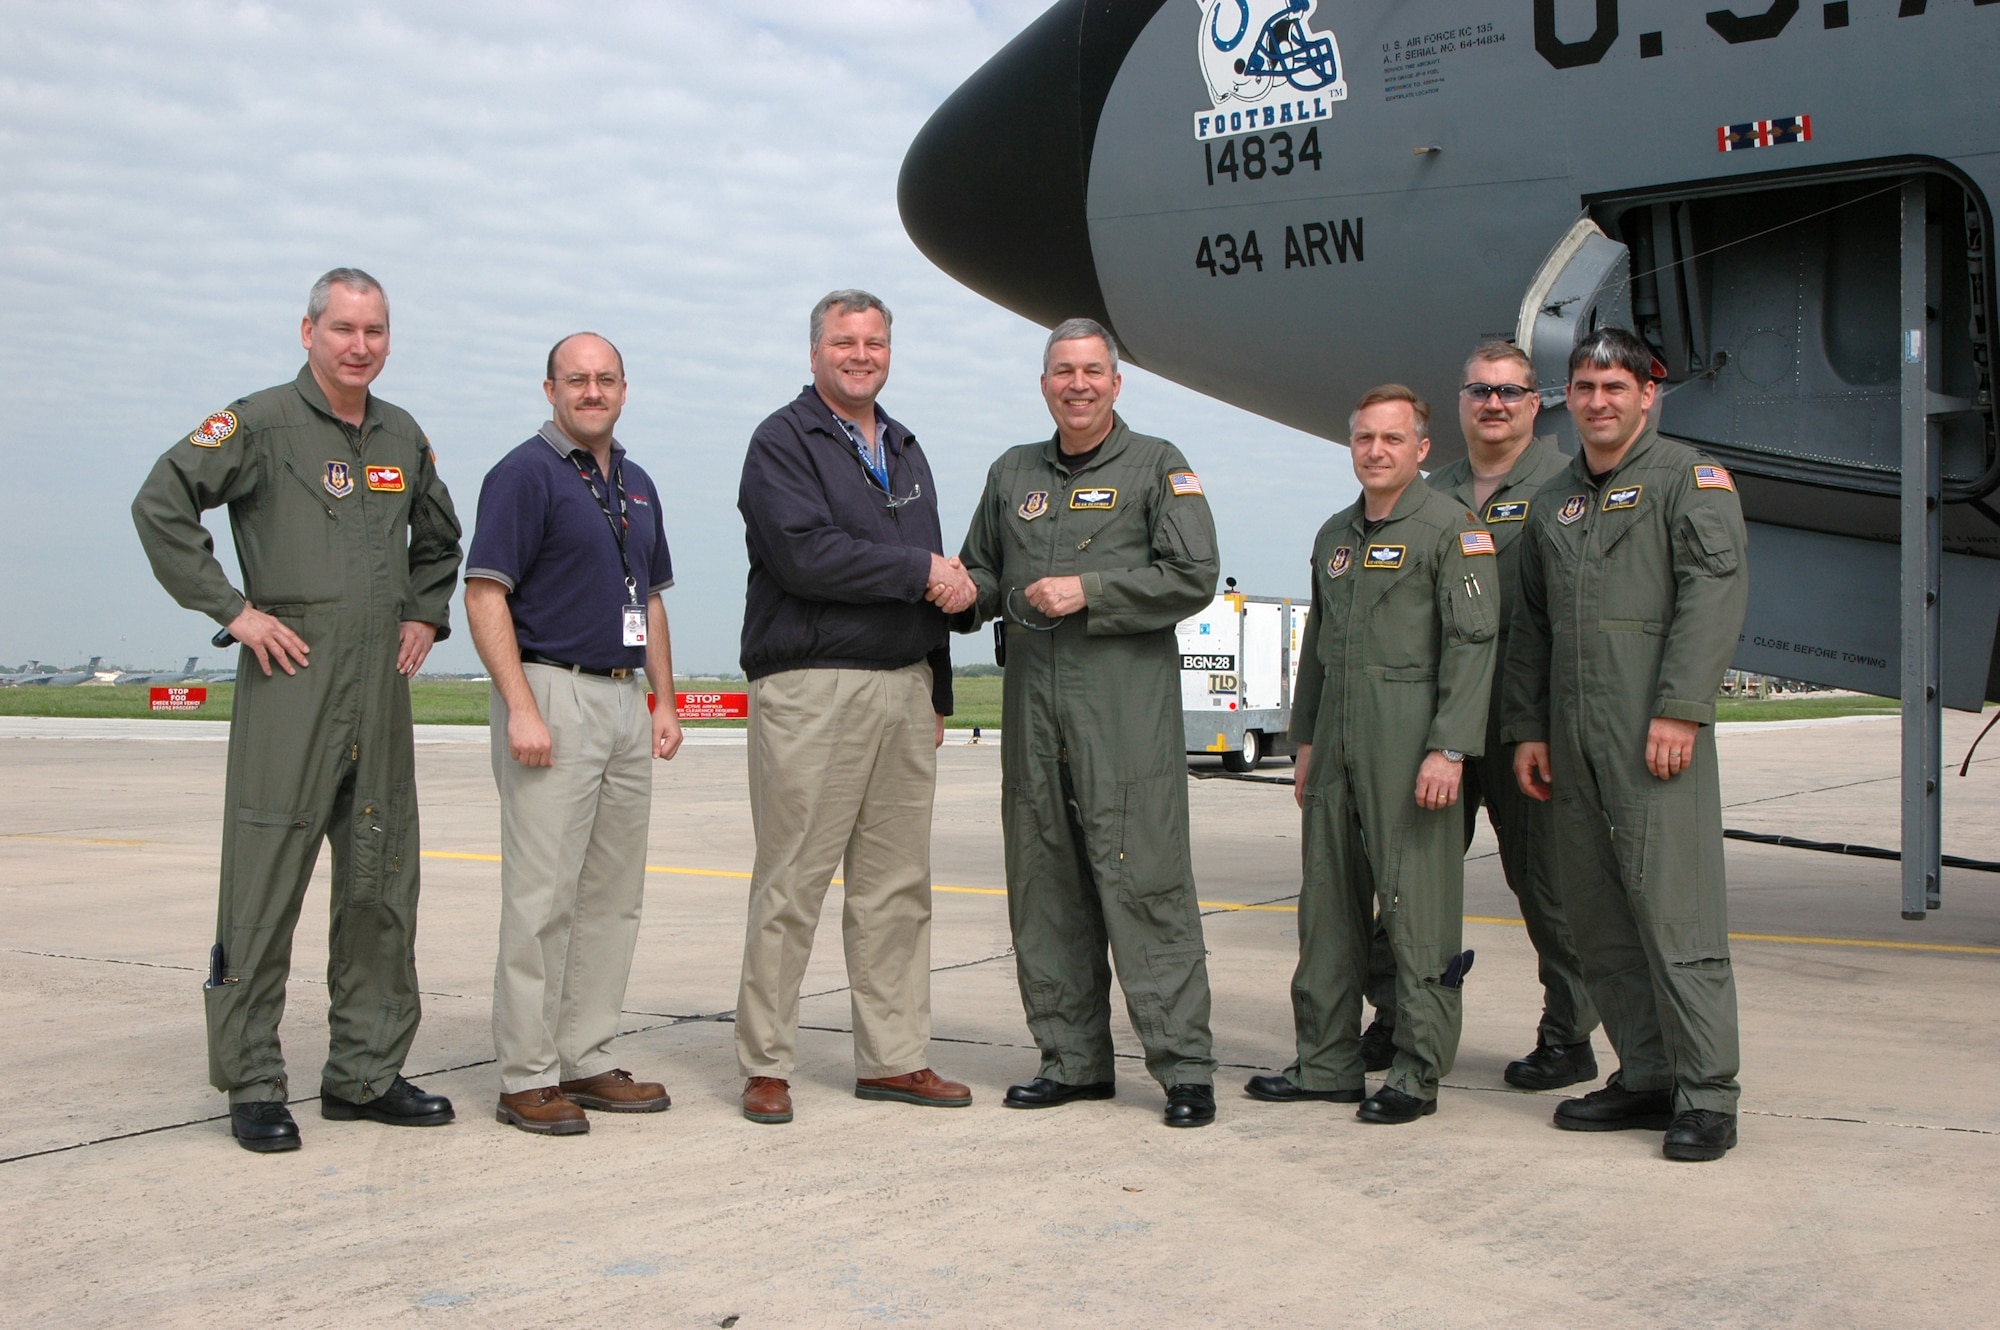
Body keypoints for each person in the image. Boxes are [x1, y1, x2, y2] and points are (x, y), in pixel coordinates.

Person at [131, 268, 463, 1153]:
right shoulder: (261, 424)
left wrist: (426, 613)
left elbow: (439, 540)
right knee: (264, 886)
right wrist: (233, 611)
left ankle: (365, 1072)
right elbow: (162, 503)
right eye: (345, 328)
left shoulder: (403, 433)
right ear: (308, 331)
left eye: (376, 331)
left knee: (381, 883)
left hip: (380, 696)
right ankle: (252, 1081)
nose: (361, 345)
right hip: (295, 679)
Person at [953, 317, 1222, 1128]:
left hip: (1124, 719)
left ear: (1115, 382)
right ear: (1044, 384)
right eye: (1062, 371)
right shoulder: (1013, 473)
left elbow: (1193, 574)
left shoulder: (1158, 467)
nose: (1077, 384)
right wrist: (953, 589)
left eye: (1092, 371)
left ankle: (1185, 1070)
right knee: (1045, 889)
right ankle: (1071, 1061)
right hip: (1033, 717)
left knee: (1145, 885)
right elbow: (982, 569)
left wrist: (1091, 591)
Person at [1502, 327, 1750, 1162]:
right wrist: (1529, 729)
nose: (1599, 401)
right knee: (1599, 918)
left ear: (1650, 393)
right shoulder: (1553, 501)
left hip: (1654, 737)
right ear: (1566, 399)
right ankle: (1646, 1073)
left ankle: (1707, 1091)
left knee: (1676, 916)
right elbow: (1531, 627)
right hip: (1571, 744)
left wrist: (1681, 707)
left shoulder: (1691, 480)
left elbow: (1711, 595)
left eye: (1617, 386)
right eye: (1584, 387)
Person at [732, 289, 975, 1125]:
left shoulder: (904, 447)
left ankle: (895, 1058)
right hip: (812, 685)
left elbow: (939, 574)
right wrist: (916, 573)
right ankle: (766, 1062)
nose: (860, 354)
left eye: (874, 342)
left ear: (888, 353)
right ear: (814, 353)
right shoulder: (781, 442)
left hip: (904, 689)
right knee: (792, 882)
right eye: (844, 342)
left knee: (897, 887)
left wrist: (937, 689)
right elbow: (805, 556)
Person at [1245, 385, 1497, 1124]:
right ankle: (1326, 1061)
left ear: (1422, 449)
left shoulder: (1454, 531)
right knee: (1326, 909)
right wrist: (1305, 745)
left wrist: (1449, 748)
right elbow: (1318, 651)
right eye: (1364, 439)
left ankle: (1417, 1072)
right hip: (1336, 751)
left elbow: (1473, 646)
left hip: (1412, 742)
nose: (1376, 451)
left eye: (1392, 439)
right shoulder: (1334, 536)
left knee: (1418, 913)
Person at [464, 332, 685, 1136]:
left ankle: (585, 1055)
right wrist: (519, 703)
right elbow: (485, 592)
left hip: (626, 700)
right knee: (542, 897)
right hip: (551, 692)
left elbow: (651, 600)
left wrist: (664, 701)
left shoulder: (636, 482)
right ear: (550, 389)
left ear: (624, 388)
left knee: (611, 896)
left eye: (606, 379)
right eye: (576, 380)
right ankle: (526, 1075)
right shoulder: (524, 474)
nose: (592, 391)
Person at [1410, 342, 1601, 1090]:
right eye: (1480, 391)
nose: (1494, 404)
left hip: (1528, 726)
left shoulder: (1567, 480)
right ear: (1460, 402)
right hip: (1442, 728)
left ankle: (1570, 1035)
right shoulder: (1434, 489)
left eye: (1510, 392)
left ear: (1536, 403)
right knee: (1415, 880)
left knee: (1547, 887)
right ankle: (1402, 1018)